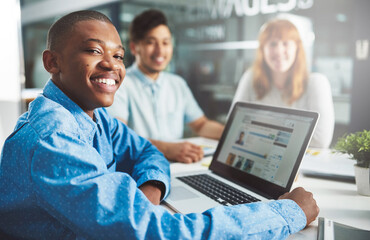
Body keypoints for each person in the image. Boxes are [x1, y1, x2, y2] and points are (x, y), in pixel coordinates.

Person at [0, 10, 319, 240]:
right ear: (52, 62)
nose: (111, 64)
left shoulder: (94, 117)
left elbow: (147, 152)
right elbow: (158, 233)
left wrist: (148, 192)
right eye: (94, 50)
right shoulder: (54, 139)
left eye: (118, 55)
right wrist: (288, 213)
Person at [107, 9, 224, 163]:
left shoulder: (177, 84)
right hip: (137, 168)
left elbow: (201, 125)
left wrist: (232, 134)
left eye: (165, 42)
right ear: (135, 48)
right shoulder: (120, 83)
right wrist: (167, 149)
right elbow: (118, 137)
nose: (160, 50)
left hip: (177, 165)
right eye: (151, 42)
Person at [232, 18, 334, 148]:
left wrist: (261, 136)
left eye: (286, 43)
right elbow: (234, 128)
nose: (279, 51)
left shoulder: (317, 83)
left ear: (297, 48)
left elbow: (320, 141)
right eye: (273, 44)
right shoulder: (250, 78)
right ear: (262, 49)